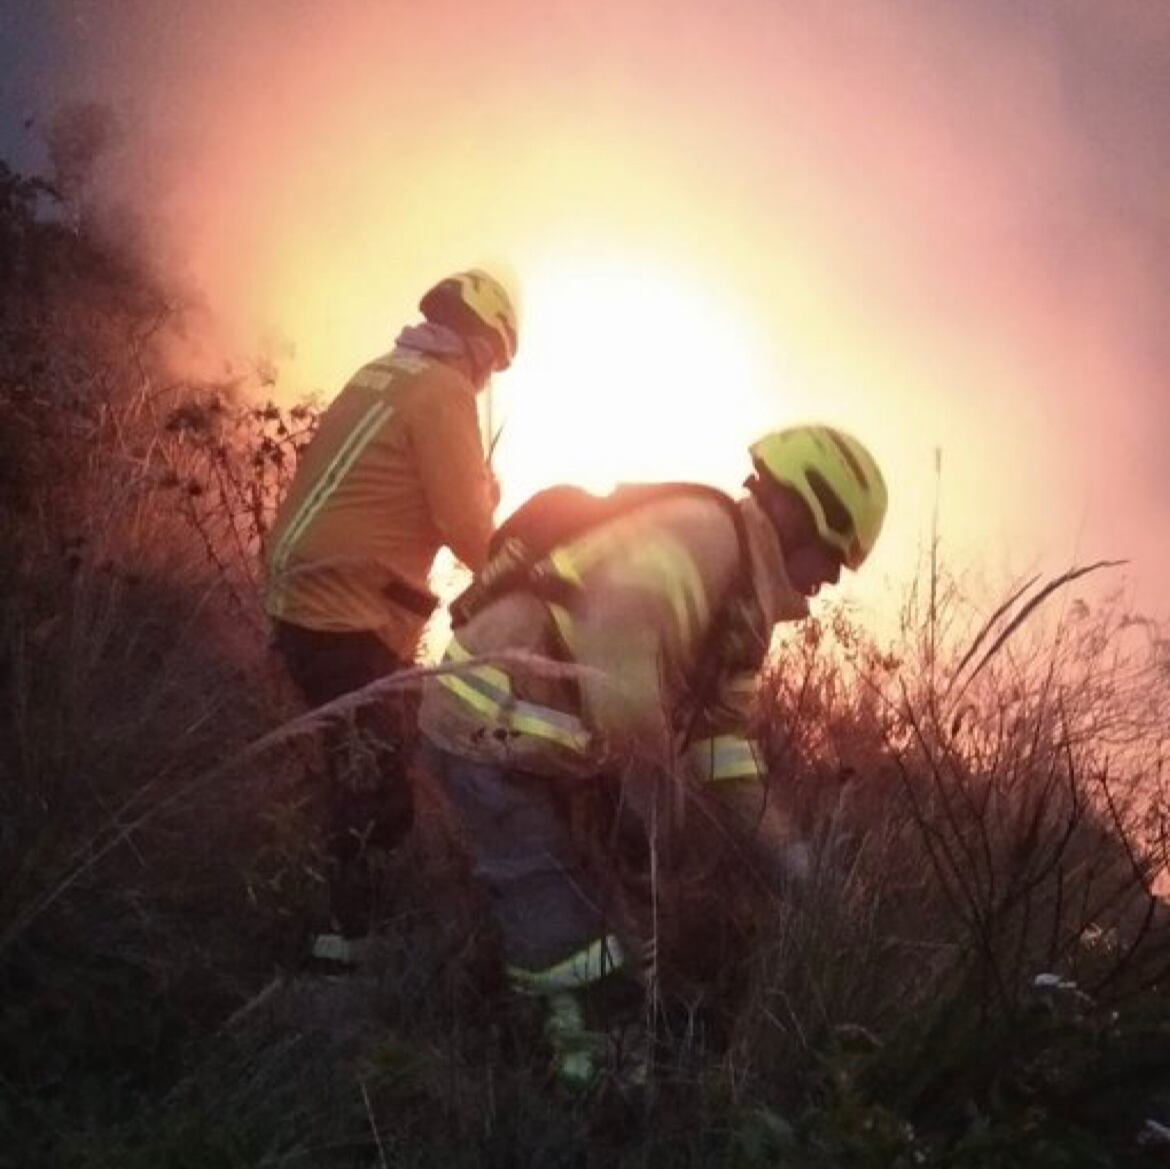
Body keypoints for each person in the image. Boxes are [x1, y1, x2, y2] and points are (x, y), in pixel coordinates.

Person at [417, 424, 887, 1085]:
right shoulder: (699, 540)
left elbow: (723, 741)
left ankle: (541, 1027)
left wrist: (790, 859)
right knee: (574, 943)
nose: (830, 580)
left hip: (546, 746)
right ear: (799, 517)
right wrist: (653, 813)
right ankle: (592, 1098)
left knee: (613, 924)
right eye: (833, 558)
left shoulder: (741, 602)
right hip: (486, 734)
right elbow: (623, 674)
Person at [264, 268, 518, 962]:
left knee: (359, 761)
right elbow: (473, 537)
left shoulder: (385, 371)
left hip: (301, 598)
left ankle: (337, 920)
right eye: (493, 357)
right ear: (481, 341)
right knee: (377, 788)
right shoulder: (443, 390)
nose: (487, 376)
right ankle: (349, 947)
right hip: (343, 613)